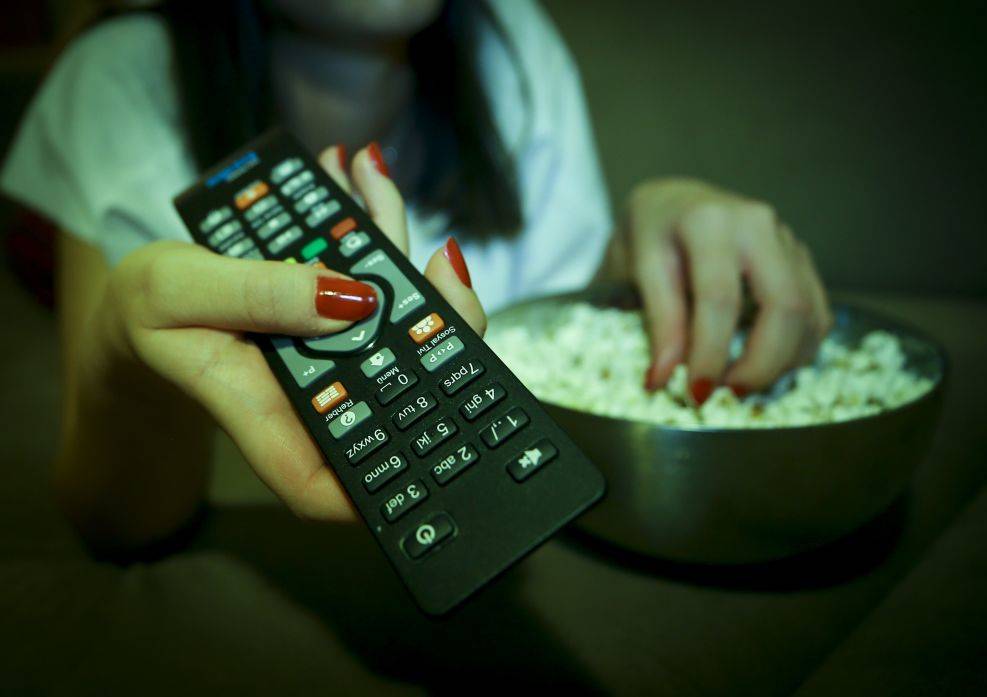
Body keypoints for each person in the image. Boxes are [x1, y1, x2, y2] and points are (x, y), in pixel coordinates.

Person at [0, 0, 830, 553]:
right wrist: (123, 350)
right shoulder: (116, 79)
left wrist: (659, 226)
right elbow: (121, 522)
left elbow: (562, 340)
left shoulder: (513, 39)